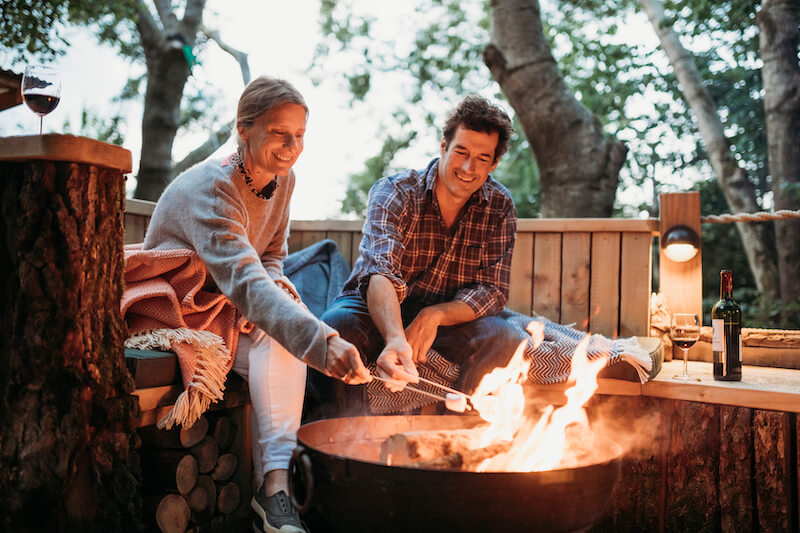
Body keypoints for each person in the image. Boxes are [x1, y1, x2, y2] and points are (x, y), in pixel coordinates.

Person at [142, 76, 370, 533]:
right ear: (245, 129)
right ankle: (272, 489)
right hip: (178, 306)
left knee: (282, 339)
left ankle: (275, 492)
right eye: (279, 133)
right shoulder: (213, 187)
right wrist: (322, 341)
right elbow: (244, 279)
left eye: (300, 135)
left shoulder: (282, 180)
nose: (291, 146)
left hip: (229, 303)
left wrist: (280, 290)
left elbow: (269, 258)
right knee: (293, 334)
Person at [315, 95, 525, 416]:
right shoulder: (395, 191)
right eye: (461, 152)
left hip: (449, 314)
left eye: (482, 158)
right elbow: (380, 272)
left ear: (494, 163)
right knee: (336, 328)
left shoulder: (500, 206)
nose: (469, 168)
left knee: (505, 338)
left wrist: (434, 316)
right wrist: (396, 338)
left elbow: (491, 290)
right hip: (377, 304)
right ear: (443, 146)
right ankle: (348, 442)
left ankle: (457, 436)